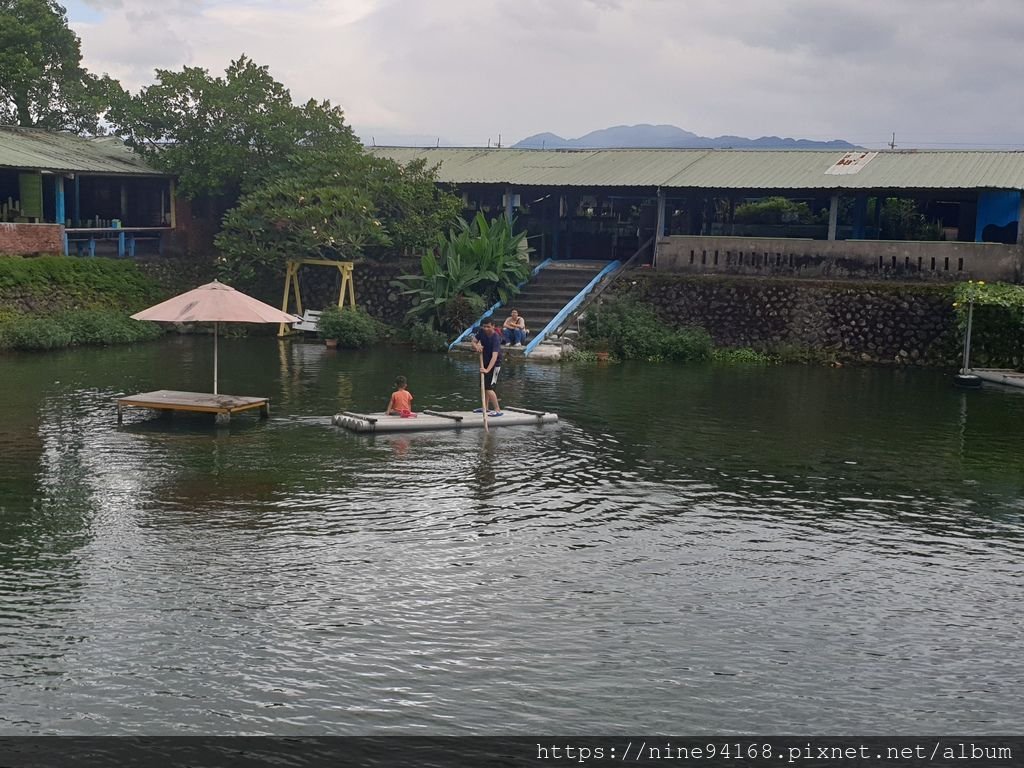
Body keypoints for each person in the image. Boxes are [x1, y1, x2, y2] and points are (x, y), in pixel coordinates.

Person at [471, 320, 502, 416]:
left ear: (493, 326)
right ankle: (486, 407)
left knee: (489, 387)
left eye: (488, 327)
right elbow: (473, 342)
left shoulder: (496, 338)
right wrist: (476, 347)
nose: (486, 329)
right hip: (484, 362)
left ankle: (497, 410)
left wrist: (487, 370)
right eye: (484, 326)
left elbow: (494, 356)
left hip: (494, 364)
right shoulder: (481, 332)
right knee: (483, 386)